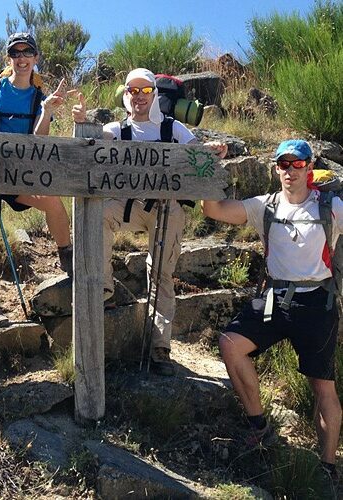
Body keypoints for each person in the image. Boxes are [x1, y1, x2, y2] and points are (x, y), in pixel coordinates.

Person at [73, 68, 227, 376]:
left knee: (161, 274)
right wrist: (80, 124)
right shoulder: (115, 128)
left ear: (154, 95)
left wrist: (213, 151)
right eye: (133, 91)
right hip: (126, 205)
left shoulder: (174, 128)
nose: (139, 97)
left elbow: (196, 153)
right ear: (125, 95)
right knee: (99, 215)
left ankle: (160, 346)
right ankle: (103, 287)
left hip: (166, 208)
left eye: (145, 91)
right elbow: (89, 148)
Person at [202, 140, 342, 478]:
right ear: (276, 168)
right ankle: (260, 426)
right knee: (230, 344)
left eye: (297, 164)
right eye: (283, 164)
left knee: (322, 386)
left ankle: (327, 466)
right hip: (274, 299)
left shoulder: (332, 206)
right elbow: (214, 210)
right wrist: (207, 167)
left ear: (310, 167)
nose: (290, 170)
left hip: (316, 303)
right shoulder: (265, 206)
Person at [0, 32, 73, 328]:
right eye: (15, 53)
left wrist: (47, 111)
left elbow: (38, 142)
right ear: (7, 58)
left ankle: (68, 258)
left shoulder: (38, 97)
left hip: (14, 174)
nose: (21, 58)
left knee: (53, 203)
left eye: (27, 53)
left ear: (36, 58)